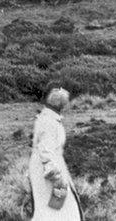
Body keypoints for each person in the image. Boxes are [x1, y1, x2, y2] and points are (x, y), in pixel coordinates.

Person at [29, 88, 83, 220]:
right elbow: (45, 150)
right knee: (56, 208)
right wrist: (55, 175)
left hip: (44, 166)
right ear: (62, 105)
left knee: (52, 207)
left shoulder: (47, 117)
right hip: (47, 170)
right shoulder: (50, 122)